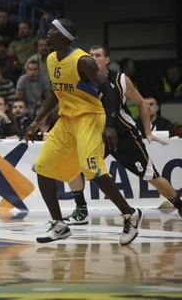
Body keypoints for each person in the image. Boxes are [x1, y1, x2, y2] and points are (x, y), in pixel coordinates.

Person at [25, 19, 143, 245]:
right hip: (67, 119)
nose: (47, 34)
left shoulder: (83, 61)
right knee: (43, 168)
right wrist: (38, 120)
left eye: (52, 30)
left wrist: (109, 125)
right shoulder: (50, 59)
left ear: (63, 36)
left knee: (92, 169)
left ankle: (131, 214)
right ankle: (59, 224)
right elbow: (53, 93)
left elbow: (108, 90)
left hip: (90, 117)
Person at [63, 44, 182, 225]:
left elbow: (142, 103)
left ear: (107, 59)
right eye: (91, 55)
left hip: (123, 135)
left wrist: (148, 132)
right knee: (72, 167)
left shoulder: (120, 79)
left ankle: (180, 207)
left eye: (98, 55)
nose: (93, 58)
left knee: (152, 177)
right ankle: (81, 211)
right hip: (97, 135)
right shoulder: (83, 80)